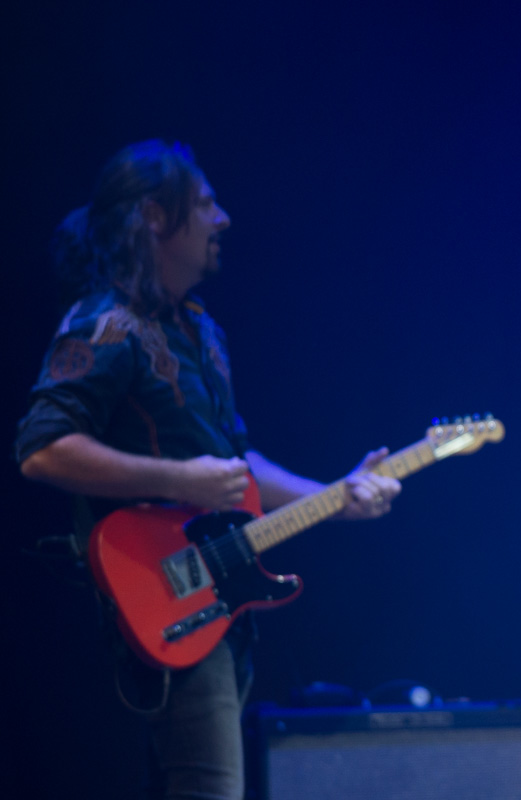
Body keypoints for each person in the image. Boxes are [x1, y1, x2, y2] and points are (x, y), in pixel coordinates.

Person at [14, 140, 402, 800]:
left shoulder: (202, 330)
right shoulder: (104, 323)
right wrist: (178, 479)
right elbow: (42, 447)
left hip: (213, 600)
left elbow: (235, 465)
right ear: (153, 217)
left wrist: (334, 495)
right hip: (157, 593)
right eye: (203, 204)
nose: (222, 218)